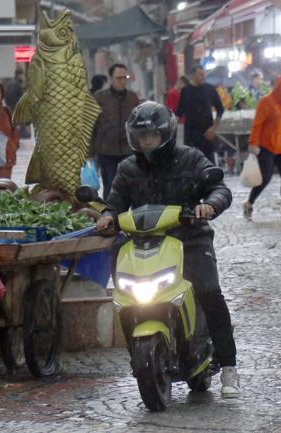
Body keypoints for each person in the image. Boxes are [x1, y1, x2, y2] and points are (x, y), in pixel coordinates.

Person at [96, 101, 241, 398]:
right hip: (143, 242)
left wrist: (209, 205)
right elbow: (114, 202)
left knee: (209, 292)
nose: (147, 142)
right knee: (125, 291)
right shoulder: (127, 168)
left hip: (189, 238)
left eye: (152, 136)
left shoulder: (191, 158)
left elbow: (220, 188)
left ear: (167, 134)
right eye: (141, 136)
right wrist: (108, 216)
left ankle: (229, 367)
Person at [242, 75, 281, 220]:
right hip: (267, 146)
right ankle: (249, 202)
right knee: (265, 177)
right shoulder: (266, 102)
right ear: (279, 89)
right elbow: (258, 124)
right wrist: (253, 142)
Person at [90, 63, 140, 199]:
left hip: (129, 151)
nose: (123, 81)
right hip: (107, 152)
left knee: (133, 187)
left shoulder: (132, 98)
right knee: (111, 187)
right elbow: (91, 126)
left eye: (125, 77)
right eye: (119, 78)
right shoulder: (100, 98)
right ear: (111, 78)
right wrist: (90, 152)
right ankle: (110, 217)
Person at [176, 65, 224, 164]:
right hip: (191, 135)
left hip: (207, 133)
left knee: (209, 163)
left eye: (204, 74)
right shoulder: (185, 91)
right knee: (192, 163)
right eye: (201, 75)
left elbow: (220, 109)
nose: (204, 77)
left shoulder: (210, 89)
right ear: (193, 75)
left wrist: (213, 128)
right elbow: (179, 112)